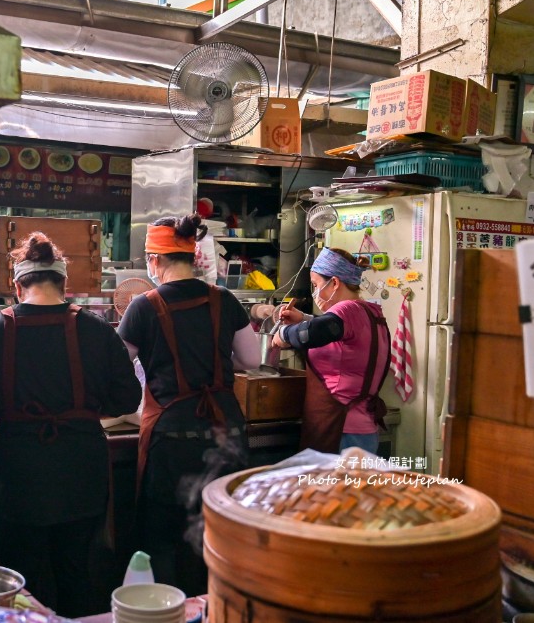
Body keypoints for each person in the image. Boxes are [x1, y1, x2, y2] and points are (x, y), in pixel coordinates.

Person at [0, 232, 141, 617]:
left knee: (25, 579)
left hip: (21, 475)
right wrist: (83, 410)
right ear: (62, 283)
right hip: (82, 470)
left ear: (17, 285)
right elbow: (127, 399)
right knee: (79, 573)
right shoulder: (98, 330)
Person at [117, 213, 260, 597]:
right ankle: (215, 608)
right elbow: (251, 360)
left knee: (163, 536)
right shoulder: (224, 299)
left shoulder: (143, 307)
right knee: (218, 531)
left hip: (172, 438)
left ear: (154, 260)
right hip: (225, 433)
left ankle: (168, 608)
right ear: (192, 257)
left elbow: (115, 369)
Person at [272, 247, 391, 454]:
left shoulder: (347, 310)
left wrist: (283, 334)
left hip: (342, 430)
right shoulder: (369, 312)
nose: (315, 291)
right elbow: (339, 335)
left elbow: (312, 334)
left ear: (335, 283)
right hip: (360, 429)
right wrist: (305, 319)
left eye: (316, 284)